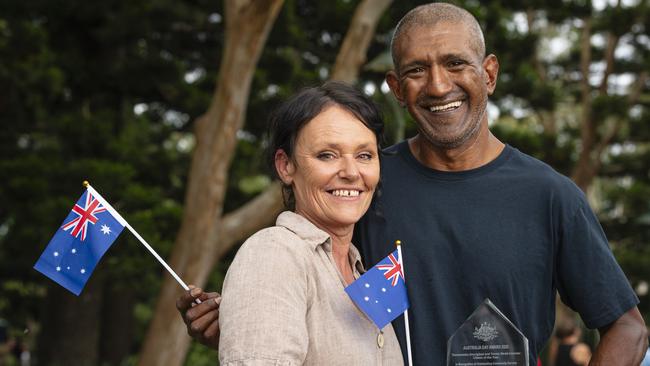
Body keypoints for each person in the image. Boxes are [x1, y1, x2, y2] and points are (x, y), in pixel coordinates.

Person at [177, 3, 648, 365]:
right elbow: (312, 284)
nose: (439, 86)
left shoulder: (551, 196)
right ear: (396, 89)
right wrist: (245, 318)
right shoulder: (363, 185)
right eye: (416, 71)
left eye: (456, 63)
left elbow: (627, 327)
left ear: (489, 73)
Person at [184, 81, 403, 365]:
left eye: (364, 155)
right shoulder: (274, 254)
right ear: (286, 166)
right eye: (327, 155)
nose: (351, 172)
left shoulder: (361, 270)